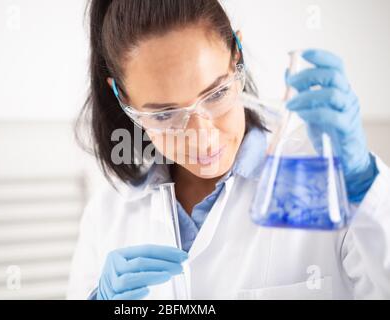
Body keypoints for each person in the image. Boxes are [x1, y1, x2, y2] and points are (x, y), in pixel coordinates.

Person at [67, 0, 390, 299]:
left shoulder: (330, 183)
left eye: (216, 94)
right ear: (123, 99)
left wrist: (363, 183)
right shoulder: (107, 214)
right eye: (165, 114)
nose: (202, 137)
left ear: (237, 55)